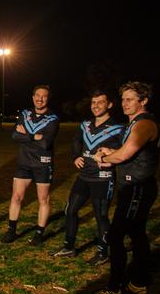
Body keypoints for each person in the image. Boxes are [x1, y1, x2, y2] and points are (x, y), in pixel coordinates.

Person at [89, 81, 160, 294]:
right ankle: (139, 282)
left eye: (130, 99)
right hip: (133, 188)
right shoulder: (134, 123)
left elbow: (123, 156)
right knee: (137, 234)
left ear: (144, 100)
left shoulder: (144, 124)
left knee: (115, 236)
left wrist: (103, 157)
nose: (124, 103)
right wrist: (113, 151)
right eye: (123, 99)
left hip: (137, 188)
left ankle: (114, 288)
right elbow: (128, 151)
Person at [53, 90, 123, 265]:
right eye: (93, 102)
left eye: (100, 102)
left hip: (103, 178)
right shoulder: (85, 125)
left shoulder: (118, 128)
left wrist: (111, 158)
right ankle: (69, 247)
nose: (96, 106)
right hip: (84, 177)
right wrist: (76, 156)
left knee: (101, 215)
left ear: (110, 105)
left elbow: (125, 152)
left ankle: (102, 252)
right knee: (70, 210)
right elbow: (76, 141)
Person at [0, 84, 60, 245]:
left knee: (43, 199)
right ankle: (11, 231)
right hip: (24, 162)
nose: (40, 99)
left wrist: (26, 135)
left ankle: (39, 233)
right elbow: (14, 135)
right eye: (37, 96)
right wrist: (35, 137)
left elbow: (46, 143)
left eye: (44, 96)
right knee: (16, 196)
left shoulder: (53, 118)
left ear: (48, 98)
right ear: (33, 97)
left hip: (43, 163)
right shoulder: (24, 114)